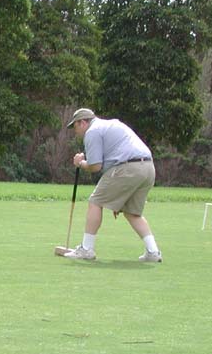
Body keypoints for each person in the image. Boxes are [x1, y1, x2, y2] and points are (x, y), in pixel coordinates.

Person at [62, 108, 162, 262]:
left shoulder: (92, 132)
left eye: (75, 127)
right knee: (132, 212)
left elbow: (95, 166)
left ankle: (86, 249)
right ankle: (153, 252)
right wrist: (119, 199)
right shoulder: (111, 124)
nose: (76, 132)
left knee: (95, 202)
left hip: (127, 168)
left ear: (82, 122)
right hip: (148, 168)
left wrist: (80, 163)